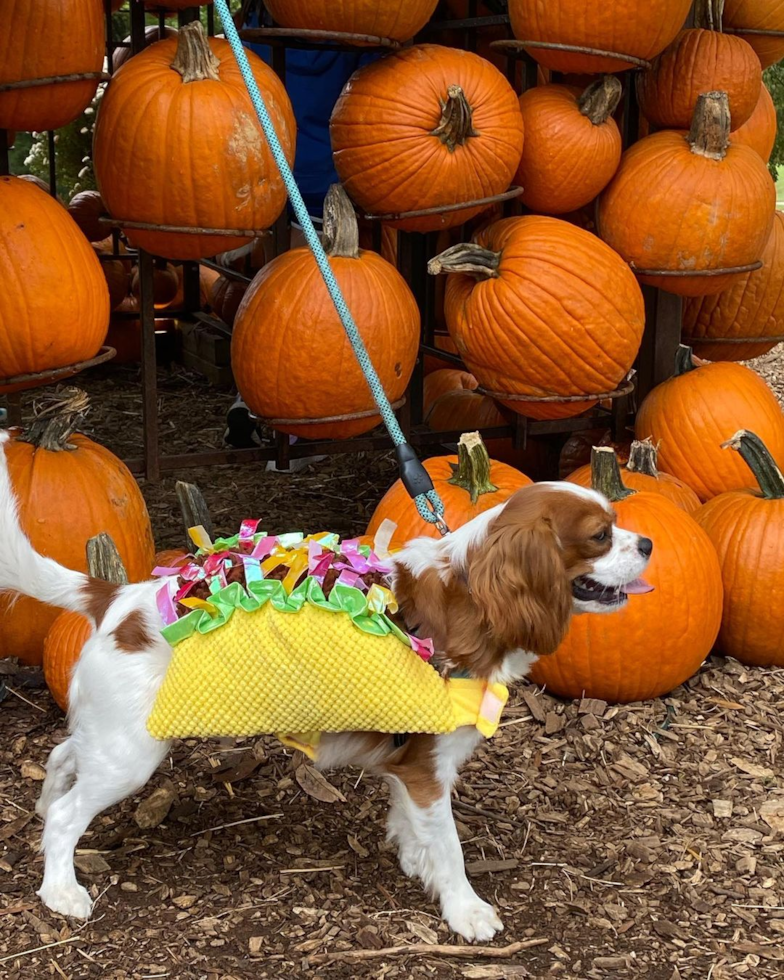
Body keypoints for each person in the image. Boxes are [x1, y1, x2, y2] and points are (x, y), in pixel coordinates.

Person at [224, 3, 382, 460]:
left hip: (271, 179)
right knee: (329, 308)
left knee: (274, 300)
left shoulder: (257, 35)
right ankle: (304, 421)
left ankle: (251, 399)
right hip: (334, 184)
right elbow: (375, 99)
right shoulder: (353, 40)